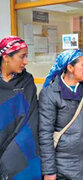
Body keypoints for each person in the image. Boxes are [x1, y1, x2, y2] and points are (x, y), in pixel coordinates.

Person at [39, 49, 83, 180]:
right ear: (70, 67)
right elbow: (45, 134)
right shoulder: (50, 94)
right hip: (63, 167)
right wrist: (49, 171)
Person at [0, 36, 41, 179]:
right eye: (21, 56)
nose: (26, 62)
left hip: (21, 151)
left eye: (27, 56)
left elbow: (31, 118)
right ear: (6, 57)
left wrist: (12, 152)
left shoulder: (27, 81)